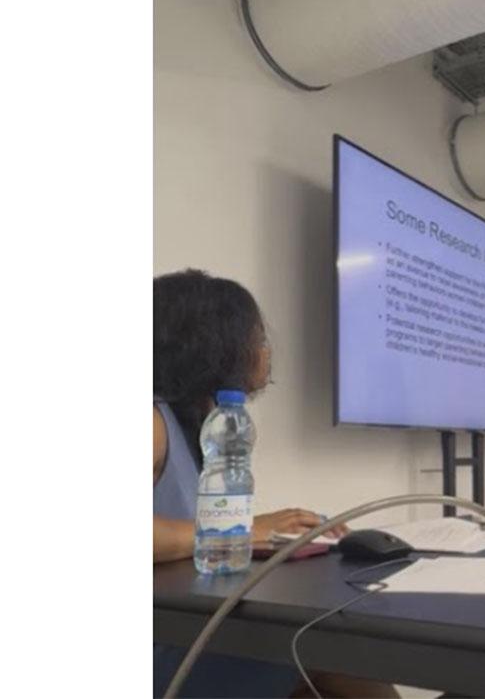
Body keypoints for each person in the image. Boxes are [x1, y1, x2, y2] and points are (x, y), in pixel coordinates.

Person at [153, 269, 391, 699]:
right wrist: (242, 530)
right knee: (324, 648)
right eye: (258, 338)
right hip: (161, 652)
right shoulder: (150, 421)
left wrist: (263, 534)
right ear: (213, 342)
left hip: (187, 633)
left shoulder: (203, 426)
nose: (266, 351)